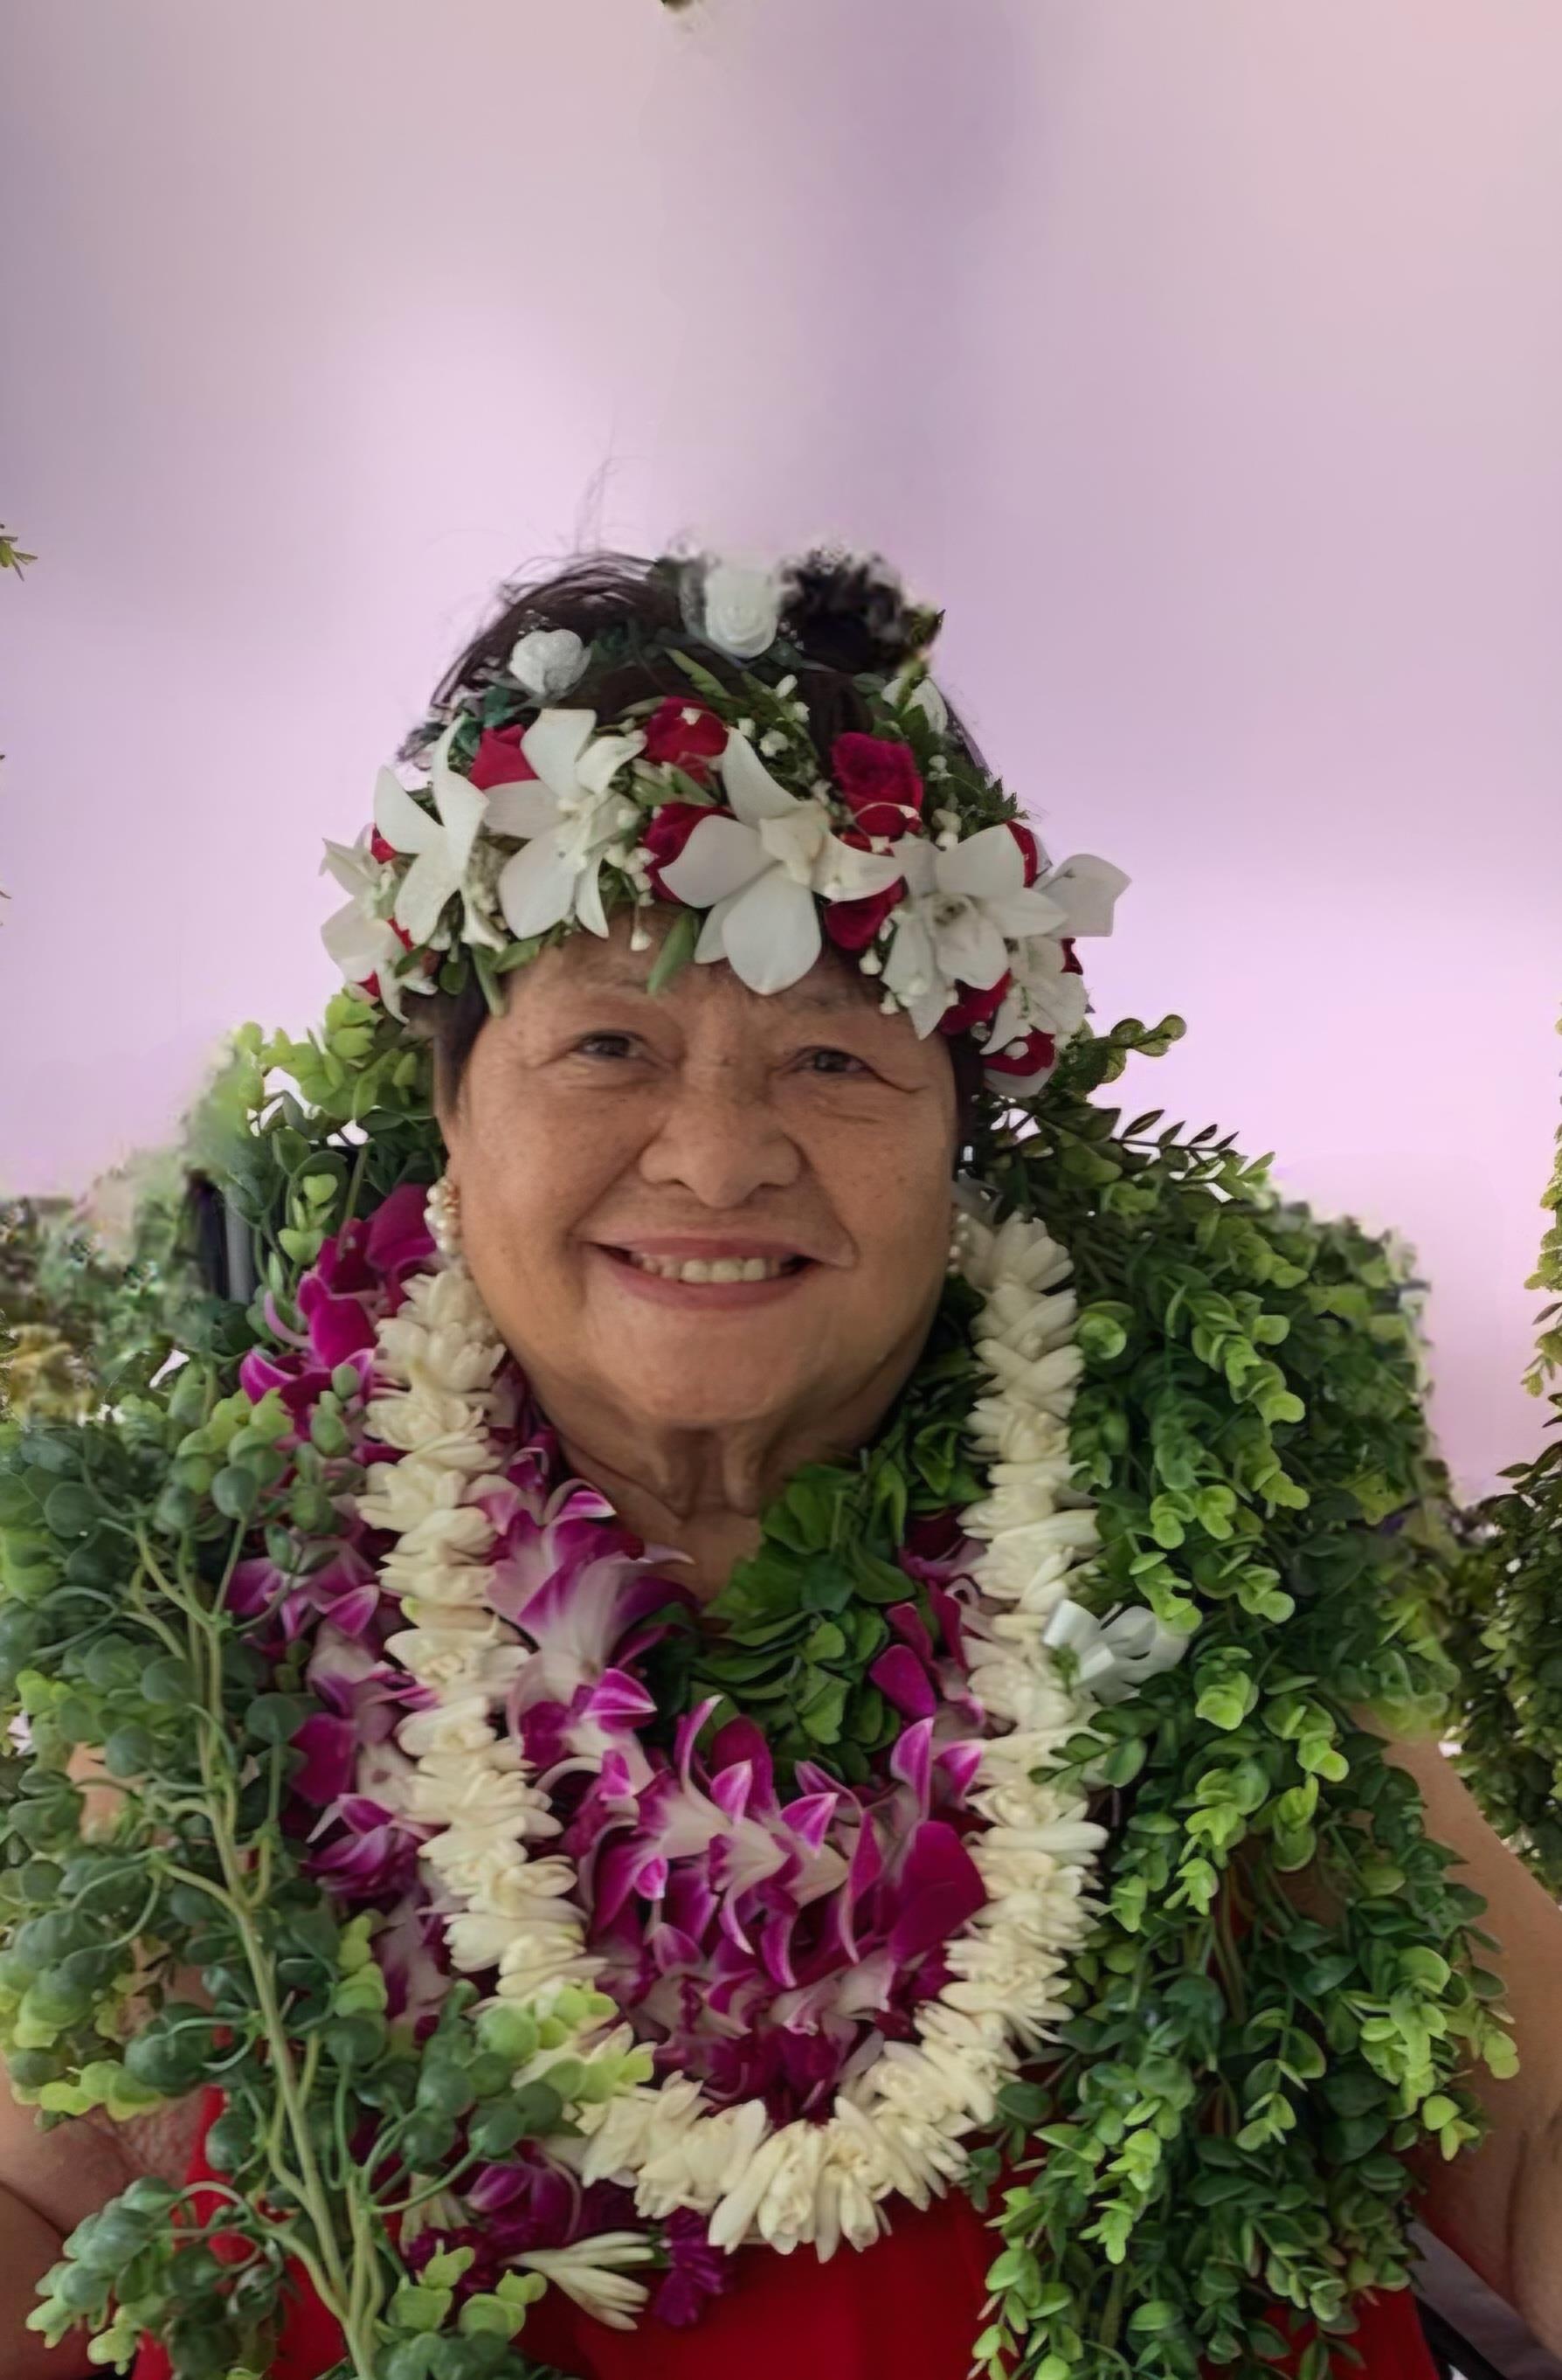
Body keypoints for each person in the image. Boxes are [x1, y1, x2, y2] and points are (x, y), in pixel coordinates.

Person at [3, 549, 1559, 2380]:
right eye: (608, 1041)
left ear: (962, 1128)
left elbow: (1531, 2144)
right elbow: (40, 2201)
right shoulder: (218, 1622)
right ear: (448, 1095)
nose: (719, 1159)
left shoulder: (1194, 1596)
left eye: (833, 1056)